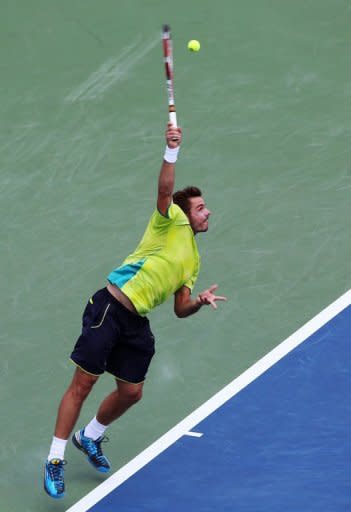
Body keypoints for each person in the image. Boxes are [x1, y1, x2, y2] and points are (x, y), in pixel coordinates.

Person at [43, 123, 227, 499]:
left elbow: (179, 308)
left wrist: (198, 303)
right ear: (185, 213)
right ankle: (55, 460)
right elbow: (164, 190)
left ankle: (89, 437)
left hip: (135, 321)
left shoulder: (193, 258)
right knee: (84, 383)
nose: (208, 213)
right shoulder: (169, 221)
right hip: (110, 307)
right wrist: (171, 150)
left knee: (132, 392)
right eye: (201, 208)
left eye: (205, 207)